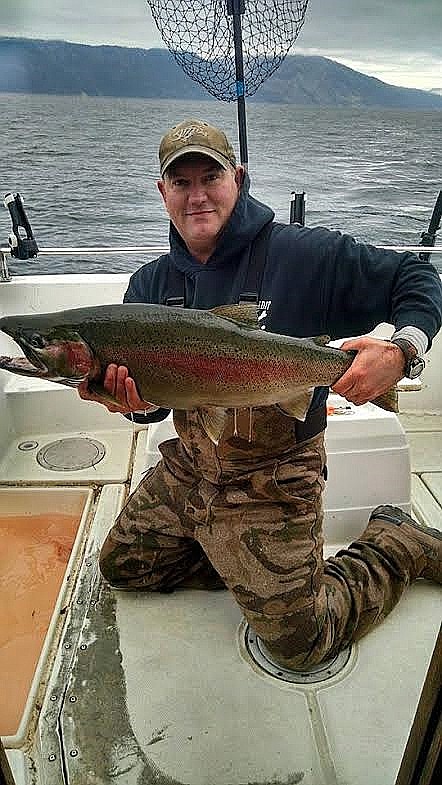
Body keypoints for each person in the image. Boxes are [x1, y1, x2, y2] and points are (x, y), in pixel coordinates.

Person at [79, 118, 442, 670]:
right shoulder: (147, 290)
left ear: (238, 179)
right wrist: (130, 403)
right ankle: (246, 566)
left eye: (211, 177)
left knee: (302, 647)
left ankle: (396, 544)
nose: (196, 195)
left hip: (276, 475)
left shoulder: (305, 256)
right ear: (162, 192)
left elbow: (416, 278)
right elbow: (153, 405)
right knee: (124, 567)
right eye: (181, 183)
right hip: (191, 469)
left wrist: (401, 350)